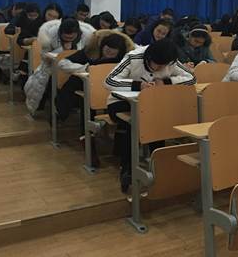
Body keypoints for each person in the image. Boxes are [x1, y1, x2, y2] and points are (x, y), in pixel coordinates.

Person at [104, 39, 196, 192]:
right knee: (138, 121)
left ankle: (157, 166)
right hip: (121, 103)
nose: (161, 68)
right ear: (148, 57)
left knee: (156, 120)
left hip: (151, 105)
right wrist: (138, 85)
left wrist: (166, 81)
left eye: (164, 66)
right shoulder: (134, 57)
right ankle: (128, 168)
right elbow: (109, 81)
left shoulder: (171, 60)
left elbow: (191, 78)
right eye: (157, 65)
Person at [55, 31, 133, 166]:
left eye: (113, 52)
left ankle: (121, 149)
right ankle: (88, 141)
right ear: (102, 46)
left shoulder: (125, 59)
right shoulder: (90, 52)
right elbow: (62, 63)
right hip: (85, 89)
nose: (109, 53)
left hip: (110, 91)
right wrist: (85, 68)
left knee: (126, 106)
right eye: (107, 49)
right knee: (87, 98)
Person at [24, 18, 95, 114]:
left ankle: (67, 108)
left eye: (71, 38)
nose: (69, 39)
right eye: (66, 38)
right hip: (51, 67)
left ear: (77, 33)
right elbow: (44, 56)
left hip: (76, 67)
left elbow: (88, 55)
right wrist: (62, 50)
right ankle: (55, 110)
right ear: (60, 33)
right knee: (50, 82)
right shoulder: (49, 35)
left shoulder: (87, 36)